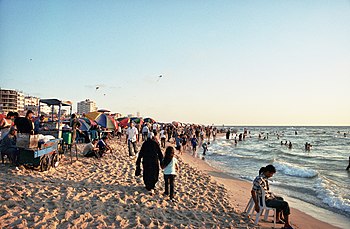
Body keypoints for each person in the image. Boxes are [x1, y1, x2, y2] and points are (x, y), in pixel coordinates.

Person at [251, 165, 293, 229]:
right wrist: (256, 204)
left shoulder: (264, 178)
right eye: (271, 173)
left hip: (267, 198)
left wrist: (272, 196)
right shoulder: (259, 179)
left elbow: (265, 191)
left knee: (280, 199)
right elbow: (253, 191)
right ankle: (286, 225)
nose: (272, 175)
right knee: (285, 204)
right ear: (268, 172)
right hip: (266, 201)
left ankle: (277, 219)